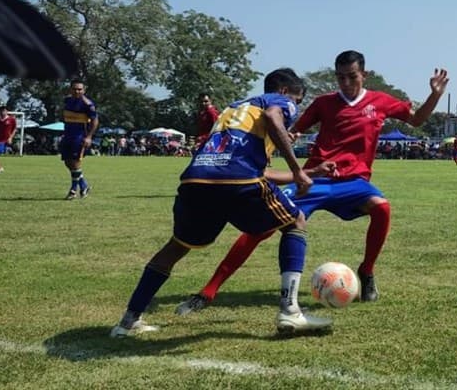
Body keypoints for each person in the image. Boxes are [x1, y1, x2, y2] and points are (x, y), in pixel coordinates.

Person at [177, 50, 449, 314]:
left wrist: (434, 96)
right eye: (340, 77)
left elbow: (416, 119)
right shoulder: (323, 103)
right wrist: (290, 137)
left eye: (352, 76)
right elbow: (291, 130)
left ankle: (366, 272)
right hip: (314, 178)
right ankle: (208, 291)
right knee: (261, 227)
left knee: (382, 208)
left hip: (353, 182)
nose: (346, 83)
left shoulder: (380, 101)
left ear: (364, 74)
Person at [110, 68, 336, 338]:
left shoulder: (235, 110)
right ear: (285, 92)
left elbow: (260, 172)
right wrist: (297, 170)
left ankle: (128, 320)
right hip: (236, 180)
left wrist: (310, 172)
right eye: (297, 102)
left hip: (196, 181)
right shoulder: (279, 102)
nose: (293, 111)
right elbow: (274, 116)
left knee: (176, 247)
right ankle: (290, 312)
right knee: (295, 221)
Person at [60, 79, 99, 199]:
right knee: (68, 162)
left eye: (80, 89)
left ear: (84, 90)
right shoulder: (67, 101)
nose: (77, 91)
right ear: (70, 89)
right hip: (67, 135)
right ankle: (84, 185)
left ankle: (73, 190)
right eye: (75, 89)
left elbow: (95, 121)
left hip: (79, 136)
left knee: (76, 162)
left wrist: (89, 137)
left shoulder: (88, 104)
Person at [0, 106, 17, 174]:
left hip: (3, 141)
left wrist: (10, 137)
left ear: (7, 111)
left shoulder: (11, 119)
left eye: (4, 111)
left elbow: (14, 129)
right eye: (1, 111)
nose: (2, 112)